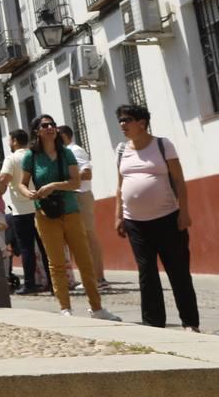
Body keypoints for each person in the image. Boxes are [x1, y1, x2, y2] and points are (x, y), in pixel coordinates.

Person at [17, 115, 120, 321]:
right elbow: (22, 183)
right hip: (45, 214)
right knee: (56, 263)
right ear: (37, 131)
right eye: (44, 125)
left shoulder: (67, 154)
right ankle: (65, 308)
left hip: (71, 210)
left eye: (52, 125)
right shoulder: (31, 156)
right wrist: (27, 193)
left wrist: (54, 186)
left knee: (84, 260)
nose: (50, 128)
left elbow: (75, 183)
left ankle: (96, 307)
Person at [114, 104, 200, 331]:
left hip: (167, 218)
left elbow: (179, 181)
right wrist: (118, 215)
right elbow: (120, 185)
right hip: (135, 223)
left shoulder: (162, 145)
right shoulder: (122, 150)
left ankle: (190, 323)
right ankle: (153, 324)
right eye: (120, 120)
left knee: (178, 271)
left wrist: (184, 211)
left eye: (127, 119)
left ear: (142, 123)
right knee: (146, 273)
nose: (122, 124)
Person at [0, 128, 49, 294]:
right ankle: (52, 281)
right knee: (45, 246)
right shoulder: (35, 155)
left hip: (21, 209)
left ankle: (30, 283)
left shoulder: (11, 158)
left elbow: (3, 178)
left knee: (27, 248)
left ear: (14, 141)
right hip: (41, 206)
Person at [56, 125, 107, 289]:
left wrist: (66, 178)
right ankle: (91, 278)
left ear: (63, 135)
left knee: (88, 235)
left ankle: (99, 278)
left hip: (81, 195)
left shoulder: (75, 150)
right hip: (73, 196)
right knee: (79, 239)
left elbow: (87, 173)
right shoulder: (63, 153)